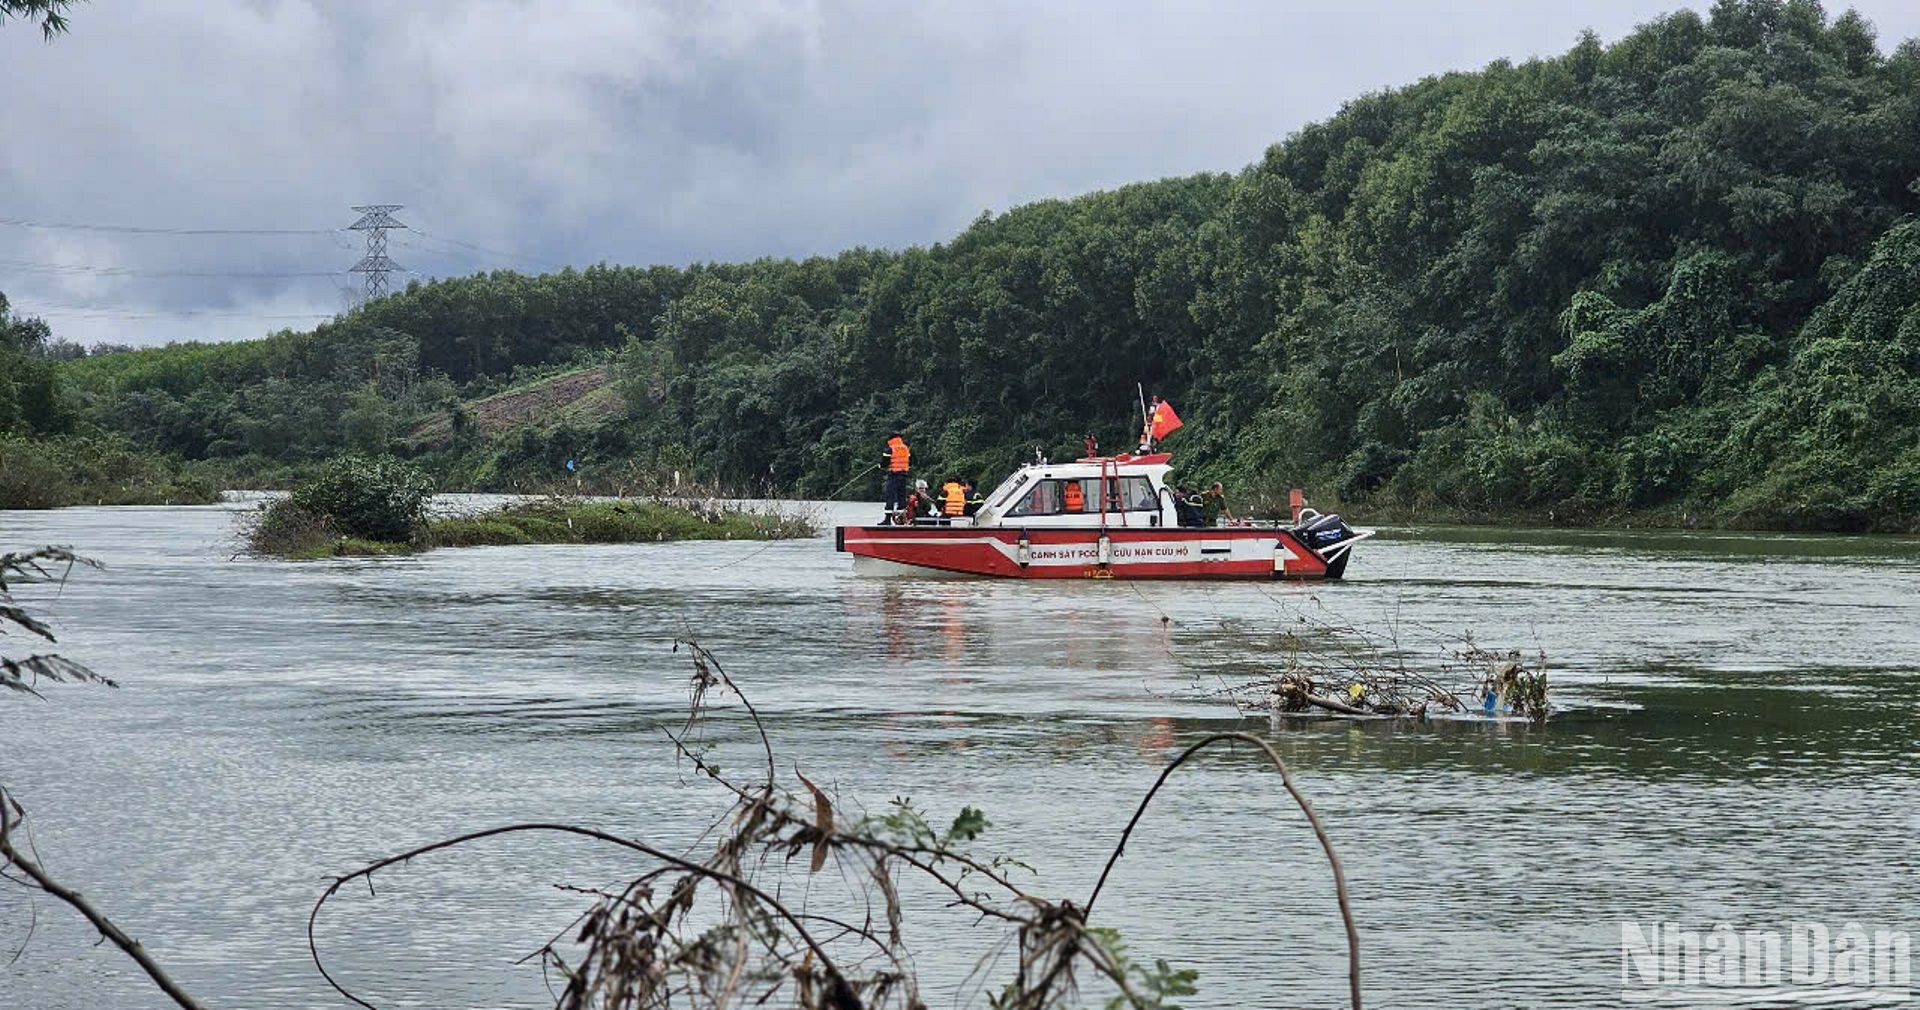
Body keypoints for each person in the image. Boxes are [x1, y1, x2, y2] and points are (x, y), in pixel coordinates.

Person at [882, 433, 911, 519]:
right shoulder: (906, 448)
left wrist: (880, 465)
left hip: (894, 475)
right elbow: (911, 461)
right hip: (903, 475)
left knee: (890, 495)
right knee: (901, 495)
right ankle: (902, 518)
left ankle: (887, 519)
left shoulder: (890, 449)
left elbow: (885, 463)